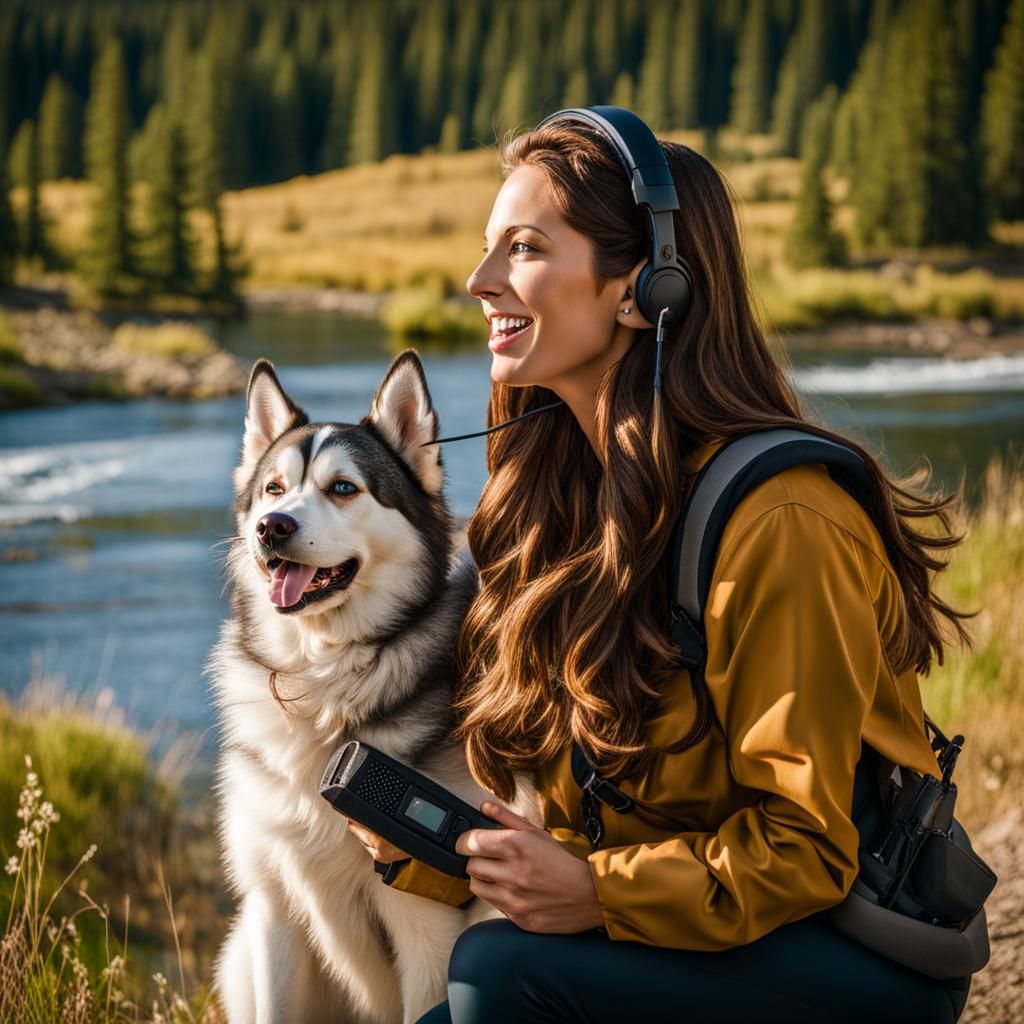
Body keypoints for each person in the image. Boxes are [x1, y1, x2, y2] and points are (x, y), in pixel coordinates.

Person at [346, 110, 976, 1023]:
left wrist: (601, 895)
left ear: (649, 286)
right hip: (682, 944)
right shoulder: (562, 510)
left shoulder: (782, 520)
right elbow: (592, 839)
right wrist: (435, 852)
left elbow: (804, 849)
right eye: (488, 249)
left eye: (522, 248)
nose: (479, 282)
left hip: (849, 961)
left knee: (494, 972)